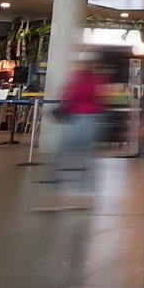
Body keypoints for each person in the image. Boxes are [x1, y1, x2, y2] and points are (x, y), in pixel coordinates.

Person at [46, 51, 108, 210]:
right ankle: (86, 195)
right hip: (90, 119)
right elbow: (100, 100)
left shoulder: (76, 78)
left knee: (61, 155)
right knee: (87, 157)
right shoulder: (96, 80)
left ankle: (57, 193)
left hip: (76, 119)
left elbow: (68, 95)